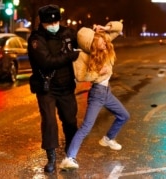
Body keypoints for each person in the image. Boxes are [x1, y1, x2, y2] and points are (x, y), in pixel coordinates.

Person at [59, 21, 130, 170]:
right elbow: (81, 76)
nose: (104, 43)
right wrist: (99, 72)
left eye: (104, 40)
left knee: (124, 115)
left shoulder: (105, 43)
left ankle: (108, 139)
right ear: (91, 45)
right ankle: (69, 158)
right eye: (100, 42)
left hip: (107, 92)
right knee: (86, 127)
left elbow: (119, 28)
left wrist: (105, 28)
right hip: (97, 93)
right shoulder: (82, 56)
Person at [27, 4, 79, 173]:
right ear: (41, 23)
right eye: (48, 23)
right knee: (49, 122)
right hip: (46, 87)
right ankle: (51, 159)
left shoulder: (68, 33)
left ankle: (70, 155)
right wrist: (69, 55)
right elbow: (46, 61)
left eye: (55, 21)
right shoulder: (36, 39)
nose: (52, 25)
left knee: (70, 121)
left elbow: (87, 41)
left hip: (66, 86)